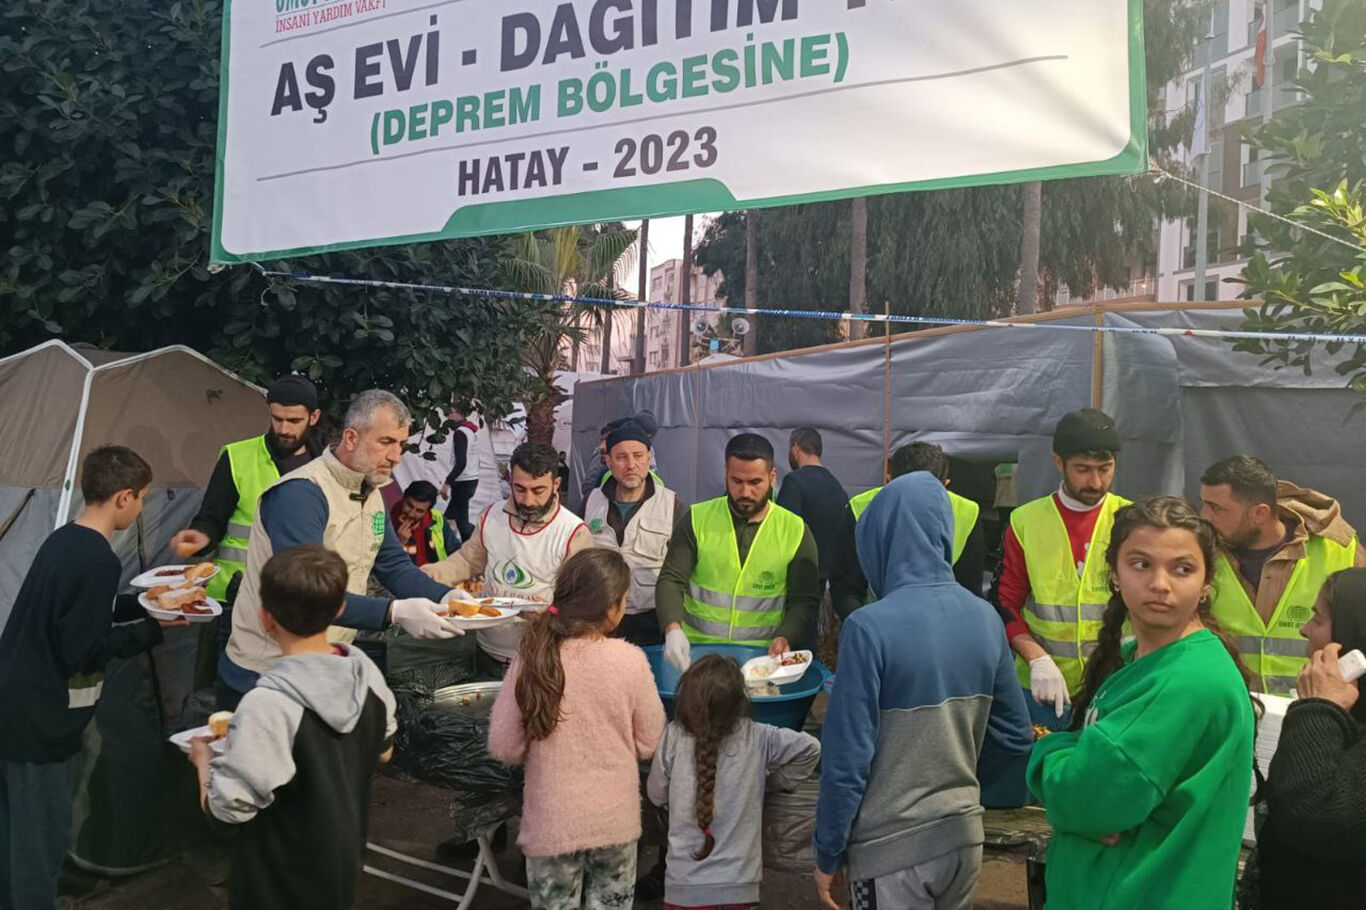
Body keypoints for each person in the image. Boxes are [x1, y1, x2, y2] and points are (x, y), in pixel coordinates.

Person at [813, 473, 1033, 910]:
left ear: (879, 539)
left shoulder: (868, 628)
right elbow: (1015, 735)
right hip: (962, 839)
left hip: (890, 848)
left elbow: (848, 759)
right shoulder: (986, 619)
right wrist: (957, 787)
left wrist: (828, 850)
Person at [1026, 497, 1257, 910]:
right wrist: (1080, 757)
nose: (1160, 583)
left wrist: (1048, 751)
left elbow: (1085, 800)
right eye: (1141, 564)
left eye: (1182, 569)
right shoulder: (1139, 656)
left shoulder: (1184, 681)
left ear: (1207, 583)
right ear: (1115, 573)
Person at [0, 446, 185, 910]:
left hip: (14, 707)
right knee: (39, 842)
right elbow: (82, 649)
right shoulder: (100, 560)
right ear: (124, 497)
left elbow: (79, 613)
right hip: (40, 723)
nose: (141, 508)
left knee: (13, 832)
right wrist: (152, 630)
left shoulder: (64, 540)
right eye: (142, 498)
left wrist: (145, 604)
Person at [219, 390, 461, 709]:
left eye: (401, 444)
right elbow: (304, 595)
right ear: (350, 438)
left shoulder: (369, 492)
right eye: (386, 442)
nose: (396, 457)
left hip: (324, 662)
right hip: (267, 671)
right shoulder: (301, 495)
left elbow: (393, 565)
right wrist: (394, 612)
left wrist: (448, 597)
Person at [189, 545, 395, 909]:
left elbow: (227, 813)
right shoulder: (368, 678)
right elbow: (385, 751)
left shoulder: (267, 705)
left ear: (265, 618)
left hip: (275, 886)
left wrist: (203, 762)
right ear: (340, 609)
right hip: (340, 870)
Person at [487, 549, 666, 910]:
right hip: (614, 822)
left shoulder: (532, 655)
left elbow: (504, 746)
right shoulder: (630, 661)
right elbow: (650, 743)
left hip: (552, 822)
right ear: (613, 608)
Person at [647, 655, 820, 910]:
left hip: (684, 887)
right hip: (741, 888)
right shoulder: (758, 736)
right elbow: (811, 748)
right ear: (740, 702)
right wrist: (770, 783)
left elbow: (656, 794)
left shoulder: (674, 735)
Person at [993, 408, 1130, 729]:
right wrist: (1036, 658)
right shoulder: (1026, 522)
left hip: (1116, 684)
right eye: (1082, 469)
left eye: (1105, 469)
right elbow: (1004, 603)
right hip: (1041, 687)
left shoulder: (1131, 520)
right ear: (1059, 462)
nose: (1095, 482)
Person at [422, 442, 594, 679]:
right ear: (510, 480)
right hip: (488, 649)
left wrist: (549, 613)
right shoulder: (492, 516)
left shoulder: (573, 532)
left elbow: (581, 602)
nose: (528, 500)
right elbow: (468, 560)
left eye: (538, 490)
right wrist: (426, 576)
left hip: (540, 658)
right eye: (519, 489)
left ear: (556, 484)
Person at [1199, 455, 1364, 697]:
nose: (1204, 516)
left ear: (1259, 513)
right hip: (1234, 709)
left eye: (1216, 508)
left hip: (1316, 708)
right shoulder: (1202, 553)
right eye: (1204, 504)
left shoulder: (1341, 551)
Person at [655, 433, 820, 671]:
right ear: (726, 473)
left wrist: (787, 636)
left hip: (761, 661)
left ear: (772, 477)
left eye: (755, 482)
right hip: (697, 656)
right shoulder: (696, 519)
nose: (745, 492)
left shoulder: (795, 530)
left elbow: (803, 600)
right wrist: (672, 629)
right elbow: (671, 578)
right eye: (737, 481)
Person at [1254, 568, 1366, 908]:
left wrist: (1320, 706)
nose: (1304, 630)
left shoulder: (1325, 713)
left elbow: (1313, 815)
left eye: (1317, 619)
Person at [171, 374, 325, 601]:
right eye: (277, 419)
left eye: (294, 421)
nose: (283, 429)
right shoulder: (237, 457)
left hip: (298, 596)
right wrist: (201, 537)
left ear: (314, 417)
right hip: (235, 594)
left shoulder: (328, 467)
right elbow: (211, 518)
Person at [831, 442, 985, 617]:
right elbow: (845, 590)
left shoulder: (862, 508)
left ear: (889, 478)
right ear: (945, 483)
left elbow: (845, 590)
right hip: (885, 623)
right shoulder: (859, 508)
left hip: (926, 625)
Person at [582, 420, 684, 648]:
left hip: (652, 626)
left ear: (649, 457)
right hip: (600, 622)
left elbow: (681, 571)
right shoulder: (591, 503)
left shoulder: (672, 505)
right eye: (621, 457)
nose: (631, 465)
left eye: (638, 456)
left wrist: (674, 627)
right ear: (608, 461)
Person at [776, 427, 850, 597]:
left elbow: (783, 531)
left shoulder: (794, 482)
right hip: (829, 583)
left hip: (800, 581)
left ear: (795, 448)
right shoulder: (837, 487)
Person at [391, 480, 459, 567]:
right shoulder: (388, 522)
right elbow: (386, 564)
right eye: (409, 505)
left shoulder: (437, 521)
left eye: (419, 511)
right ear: (403, 498)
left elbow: (455, 550)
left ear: (427, 511)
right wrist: (400, 543)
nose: (411, 514)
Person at [439, 406, 480, 541]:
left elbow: (461, 462)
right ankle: (450, 544)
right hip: (471, 479)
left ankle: (472, 545)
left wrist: (447, 483)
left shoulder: (460, 433)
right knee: (449, 517)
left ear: (459, 413)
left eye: (450, 413)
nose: (447, 417)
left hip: (463, 482)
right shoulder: (471, 431)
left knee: (462, 522)